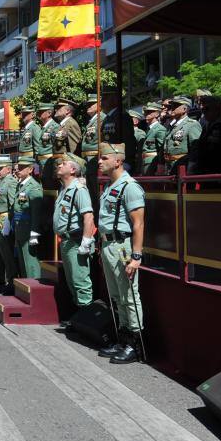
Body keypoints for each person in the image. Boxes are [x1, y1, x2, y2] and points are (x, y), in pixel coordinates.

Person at [96, 143, 146, 364]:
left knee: (129, 296)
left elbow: (138, 224)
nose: (100, 161)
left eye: (104, 158)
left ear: (118, 161)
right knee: (116, 296)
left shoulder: (129, 187)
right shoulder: (109, 186)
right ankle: (123, 339)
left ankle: (135, 345)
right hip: (109, 245)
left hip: (122, 246)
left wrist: (136, 256)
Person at [53, 154, 94, 322]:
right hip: (66, 240)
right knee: (72, 282)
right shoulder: (65, 188)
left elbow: (88, 216)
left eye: (63, 164)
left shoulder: (79, 189)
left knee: (80, 282)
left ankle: (87, 320)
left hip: (76, 241)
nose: (59, 166)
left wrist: (86, 241)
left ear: (73, 169)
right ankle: (79, 319)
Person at [0, 156, 19, 293]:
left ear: (8, 169)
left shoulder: (11, 182)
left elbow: (13, 204)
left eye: (0, 169)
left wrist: (10, 222)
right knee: (3, 254)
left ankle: (13, 282)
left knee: (8, 254)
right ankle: (9, 281)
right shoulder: (1, 183)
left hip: (5, 221)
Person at [13, 156, 43, 279]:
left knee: (30, 262)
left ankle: (33, 289)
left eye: (21, 168)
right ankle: (25, 291)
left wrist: (34, 235)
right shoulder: (20, 185)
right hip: (19, 227)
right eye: (18, 167)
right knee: (22, 262)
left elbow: (36, 214)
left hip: (28, 228)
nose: (17, 170)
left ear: (30, 169)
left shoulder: (33, 187)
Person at [163, 96, 202, 175]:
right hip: (169, 166)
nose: (172, 108)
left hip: (183, 166)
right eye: (171, 106)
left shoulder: (192, 124)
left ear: (185, 109)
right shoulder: (171, 126)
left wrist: (191, 167)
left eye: (175, 106)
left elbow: (196, 148)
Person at [194, 95, 221, 175]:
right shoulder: (207, 126)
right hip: (204, 171)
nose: (204, 112)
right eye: (202, 109)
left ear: (217, 109)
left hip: (219, 171)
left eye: (207, 109)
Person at [81, 94, 104, 194]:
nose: (88, 106)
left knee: (96, 191)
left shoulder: (102, 118)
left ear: (99, 105)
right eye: (88, 104)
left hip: (95, 159)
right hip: (88, 161)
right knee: (91, 192)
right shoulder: (92, 120)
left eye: (91, 104)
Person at [36, 103, 59, 189]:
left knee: (50, 188)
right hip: (41, 164)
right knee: (44, 188)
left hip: (49, 164)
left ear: (49, 113)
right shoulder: (43, 128)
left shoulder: (54, 127)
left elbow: (57, 148)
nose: (39, 114)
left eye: (41, 112)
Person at [141, 102, 166, 175]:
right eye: (145, 112)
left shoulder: (160, 129)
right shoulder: (149, 129)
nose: (146, 114)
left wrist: (160, 164)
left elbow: (162, 149)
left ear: (157, 114)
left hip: (153, 163)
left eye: (149, 112)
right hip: (146, 162)